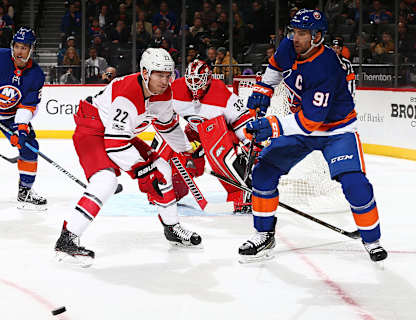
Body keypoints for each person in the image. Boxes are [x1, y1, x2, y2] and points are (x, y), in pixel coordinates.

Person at [240, 9, 388, 263]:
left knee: (355, 185)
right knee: (264, 172)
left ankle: (372, 239)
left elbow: (310, 122)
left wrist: (272, 125)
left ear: (317, 36)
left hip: (335, 131)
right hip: (303, 128)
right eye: (294, 32)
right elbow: (275, 67)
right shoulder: (291, 45)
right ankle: (263, 233)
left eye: (302, 33)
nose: (295, 38)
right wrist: (262, 91)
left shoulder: (326, 66)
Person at [54, 48, 202, 267]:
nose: (165, 80)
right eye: (159, 74)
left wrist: (186, 148)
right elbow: (116, 146)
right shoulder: (127, 94)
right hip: (92, 128)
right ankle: (67, 239)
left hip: (119, 133)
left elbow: (168, 126)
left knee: (162, 168)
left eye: (168, 74)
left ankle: (172, 228)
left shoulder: (164, 93)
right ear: (145, 73)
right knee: (105, 181)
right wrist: (142, 171)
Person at [151, 59, 253, 214]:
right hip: (195, 134)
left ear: (208, 79)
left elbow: (241, 119)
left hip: (222, 134)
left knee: (225, 157)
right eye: (191, 81)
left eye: (199, 80)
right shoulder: (176, 89)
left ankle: (242, 194)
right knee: (168, 147)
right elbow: (162, 114)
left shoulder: (221, 93)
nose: (195, 85)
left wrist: (248, 141)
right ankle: (168, 190)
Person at [0, 27, 47, 210]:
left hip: (11, 116)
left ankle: (25, 191)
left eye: (24, 48)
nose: (19, 52)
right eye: (17, 46)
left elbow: (27, 106)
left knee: (29, 146)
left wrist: (20, 130)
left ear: (31, 49)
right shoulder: (1, 58)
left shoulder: (36, 75)